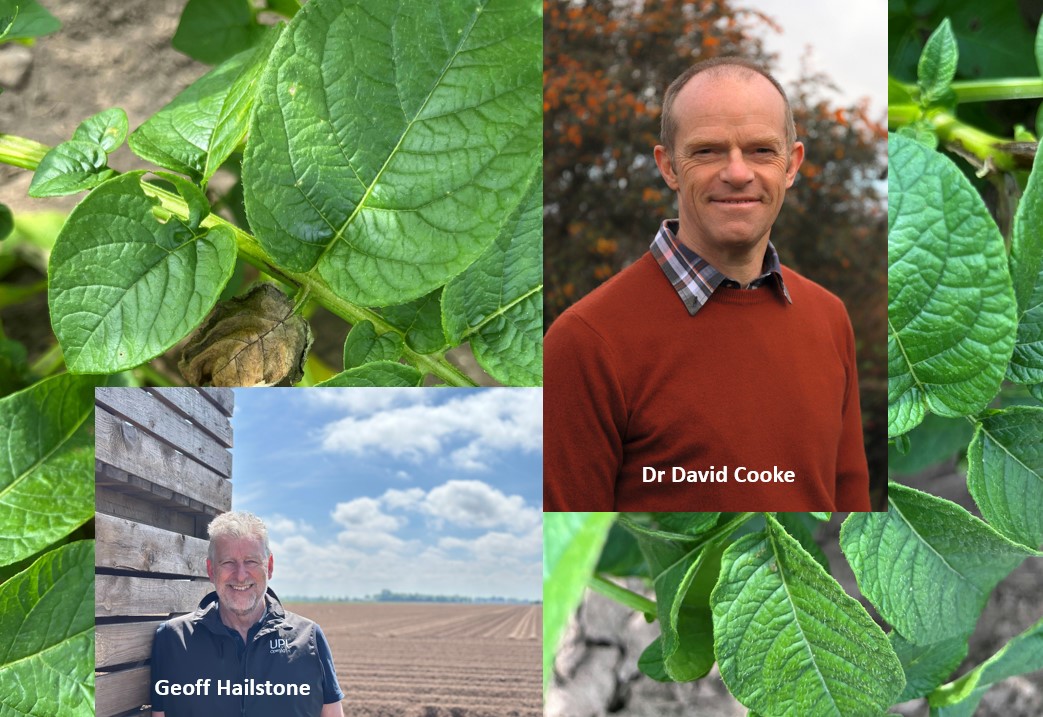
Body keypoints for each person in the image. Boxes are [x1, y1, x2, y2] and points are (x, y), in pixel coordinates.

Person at [544, 57, 871, 512]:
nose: (738, 173)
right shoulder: (586, 340)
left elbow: (850, 507)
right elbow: (567, 560)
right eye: (707, 151)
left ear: (792, 165)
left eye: (761, 150)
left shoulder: (829, 317)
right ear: (669, 167)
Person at [150, 512, 345, 717]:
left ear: (269, 567)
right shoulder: (173, 639)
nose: (241, 575)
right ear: (211, 570)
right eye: (228, 562)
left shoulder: (310, 638)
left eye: (251, 561)